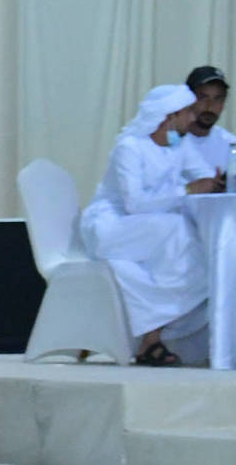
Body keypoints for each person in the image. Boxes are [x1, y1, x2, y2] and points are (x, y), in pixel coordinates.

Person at [80, 83, 223, 366]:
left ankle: (153, 338)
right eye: (188, 113)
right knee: (177, 231)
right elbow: (135, 204)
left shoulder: (177, 145)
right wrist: (188, 191)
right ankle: (152, 338)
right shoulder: (130, 148)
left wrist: (215, 182)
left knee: (195, 244)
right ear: (169, 116)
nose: (194, 119)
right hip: (112, 228)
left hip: (150, 229)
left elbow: (203, 175)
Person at [183, 66, 234, 181]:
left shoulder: (230, 144)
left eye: (218, 98)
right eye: (203, 97)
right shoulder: (169, 141)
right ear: (187, 99)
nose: (210, 105)